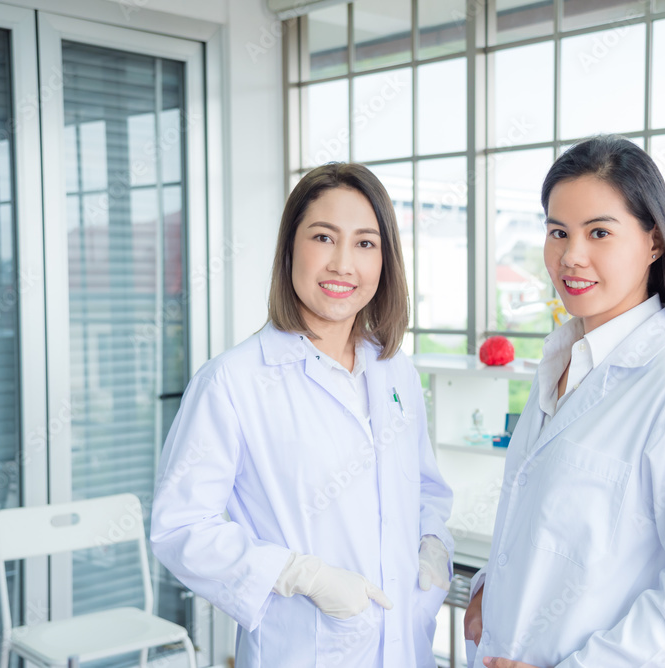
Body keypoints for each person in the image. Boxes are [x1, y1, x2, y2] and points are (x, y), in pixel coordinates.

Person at [464, 136, 665, 668]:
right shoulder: (561, 361)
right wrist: (488, 591)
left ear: (654, 242)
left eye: (599, 232)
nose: (571, 256)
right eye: (558, 232)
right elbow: (549, 526)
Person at [151, 163, 454, 668]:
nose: (342, 264)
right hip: (305, 650)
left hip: (406, 645)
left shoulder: (394, 370)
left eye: (365, 243)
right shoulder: (233, 381)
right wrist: (301, 575)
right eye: (323, 237)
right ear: (291, 248)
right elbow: (181, 527)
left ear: (385, 261)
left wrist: (432, 545)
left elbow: (424, 488)